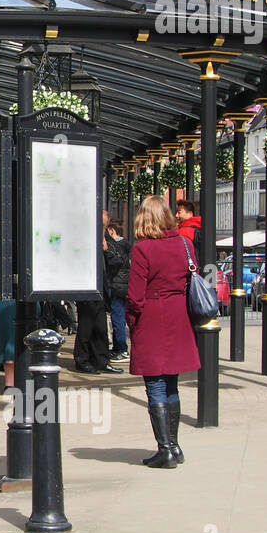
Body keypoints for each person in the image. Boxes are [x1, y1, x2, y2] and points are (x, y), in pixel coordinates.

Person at [126, 196, 200, 469]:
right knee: (171, 383)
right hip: (179, 316)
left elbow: (134, 296)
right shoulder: (185, 243)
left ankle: (165, 449)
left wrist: (131, 323)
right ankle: (175, 445)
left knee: (155, 384)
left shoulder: (143, 250)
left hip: (152, 319)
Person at [74, 219, 123, 375]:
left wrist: (106, 248)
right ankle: (83, 359)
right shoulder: (82, 237)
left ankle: (101, 360)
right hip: (86, 284)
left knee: (100, 326)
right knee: (86, 325)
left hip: (100, 285)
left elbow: (117, 260)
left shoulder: (105, 238)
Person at [103, 213, 132, 362]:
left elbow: (114, 263)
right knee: (118, 317)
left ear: (112, 231)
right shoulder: (126, 245)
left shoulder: (116, 246)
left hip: (117, 285)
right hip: (122, 285)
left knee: (117, 318)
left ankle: (121, 348)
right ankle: (118, 348)